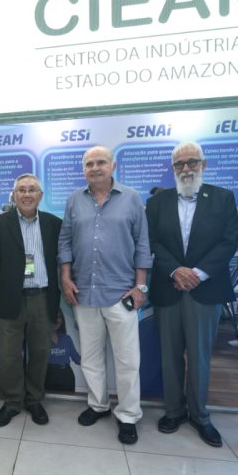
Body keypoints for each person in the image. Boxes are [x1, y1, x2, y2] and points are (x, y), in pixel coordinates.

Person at [58, 145, 152, 445]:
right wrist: (65, 277)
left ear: (113, 166)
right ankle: (97, 405)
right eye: (89, 164)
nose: (95, 168)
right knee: (90, 356)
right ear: (83, 169)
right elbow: (65, 241)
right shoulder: (75, 199)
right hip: (83, 291)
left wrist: (141, 286)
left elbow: (142, 244)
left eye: (100, 162)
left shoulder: (131, 198)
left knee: (127, 360)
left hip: (121, 292)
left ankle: (128, 415)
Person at [145, 141, 238, 447]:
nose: (186, 168)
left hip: (205, 288)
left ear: (203, 164)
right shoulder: (158, 202)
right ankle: (174, 411)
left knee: (199, 356)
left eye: (192, 162)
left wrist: (197, 273)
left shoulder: (222, 198)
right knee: (169, 354)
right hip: (169, 286)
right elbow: (152, 242)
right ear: (172, 168)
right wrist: (176, 270)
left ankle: (200, 415)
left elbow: (228, 242)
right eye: (179, 164)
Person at [0, 174, 62, 427]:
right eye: (21, 190)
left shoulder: (53, 224)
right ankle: (12, 401)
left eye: (31, 190)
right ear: (14, 195)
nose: (26, 195)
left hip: (42, 297)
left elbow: (61, 261)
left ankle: (34, 399)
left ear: (40, 195)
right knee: (9, 355)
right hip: (9, 298)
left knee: (40, 351)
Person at [45, 311, 80, 392]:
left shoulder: (66, 339)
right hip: (48, 376)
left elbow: (77, 358)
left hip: (66, 376)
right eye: (53, 317)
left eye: (59, 317)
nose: (56, 320)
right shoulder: (41, 340)